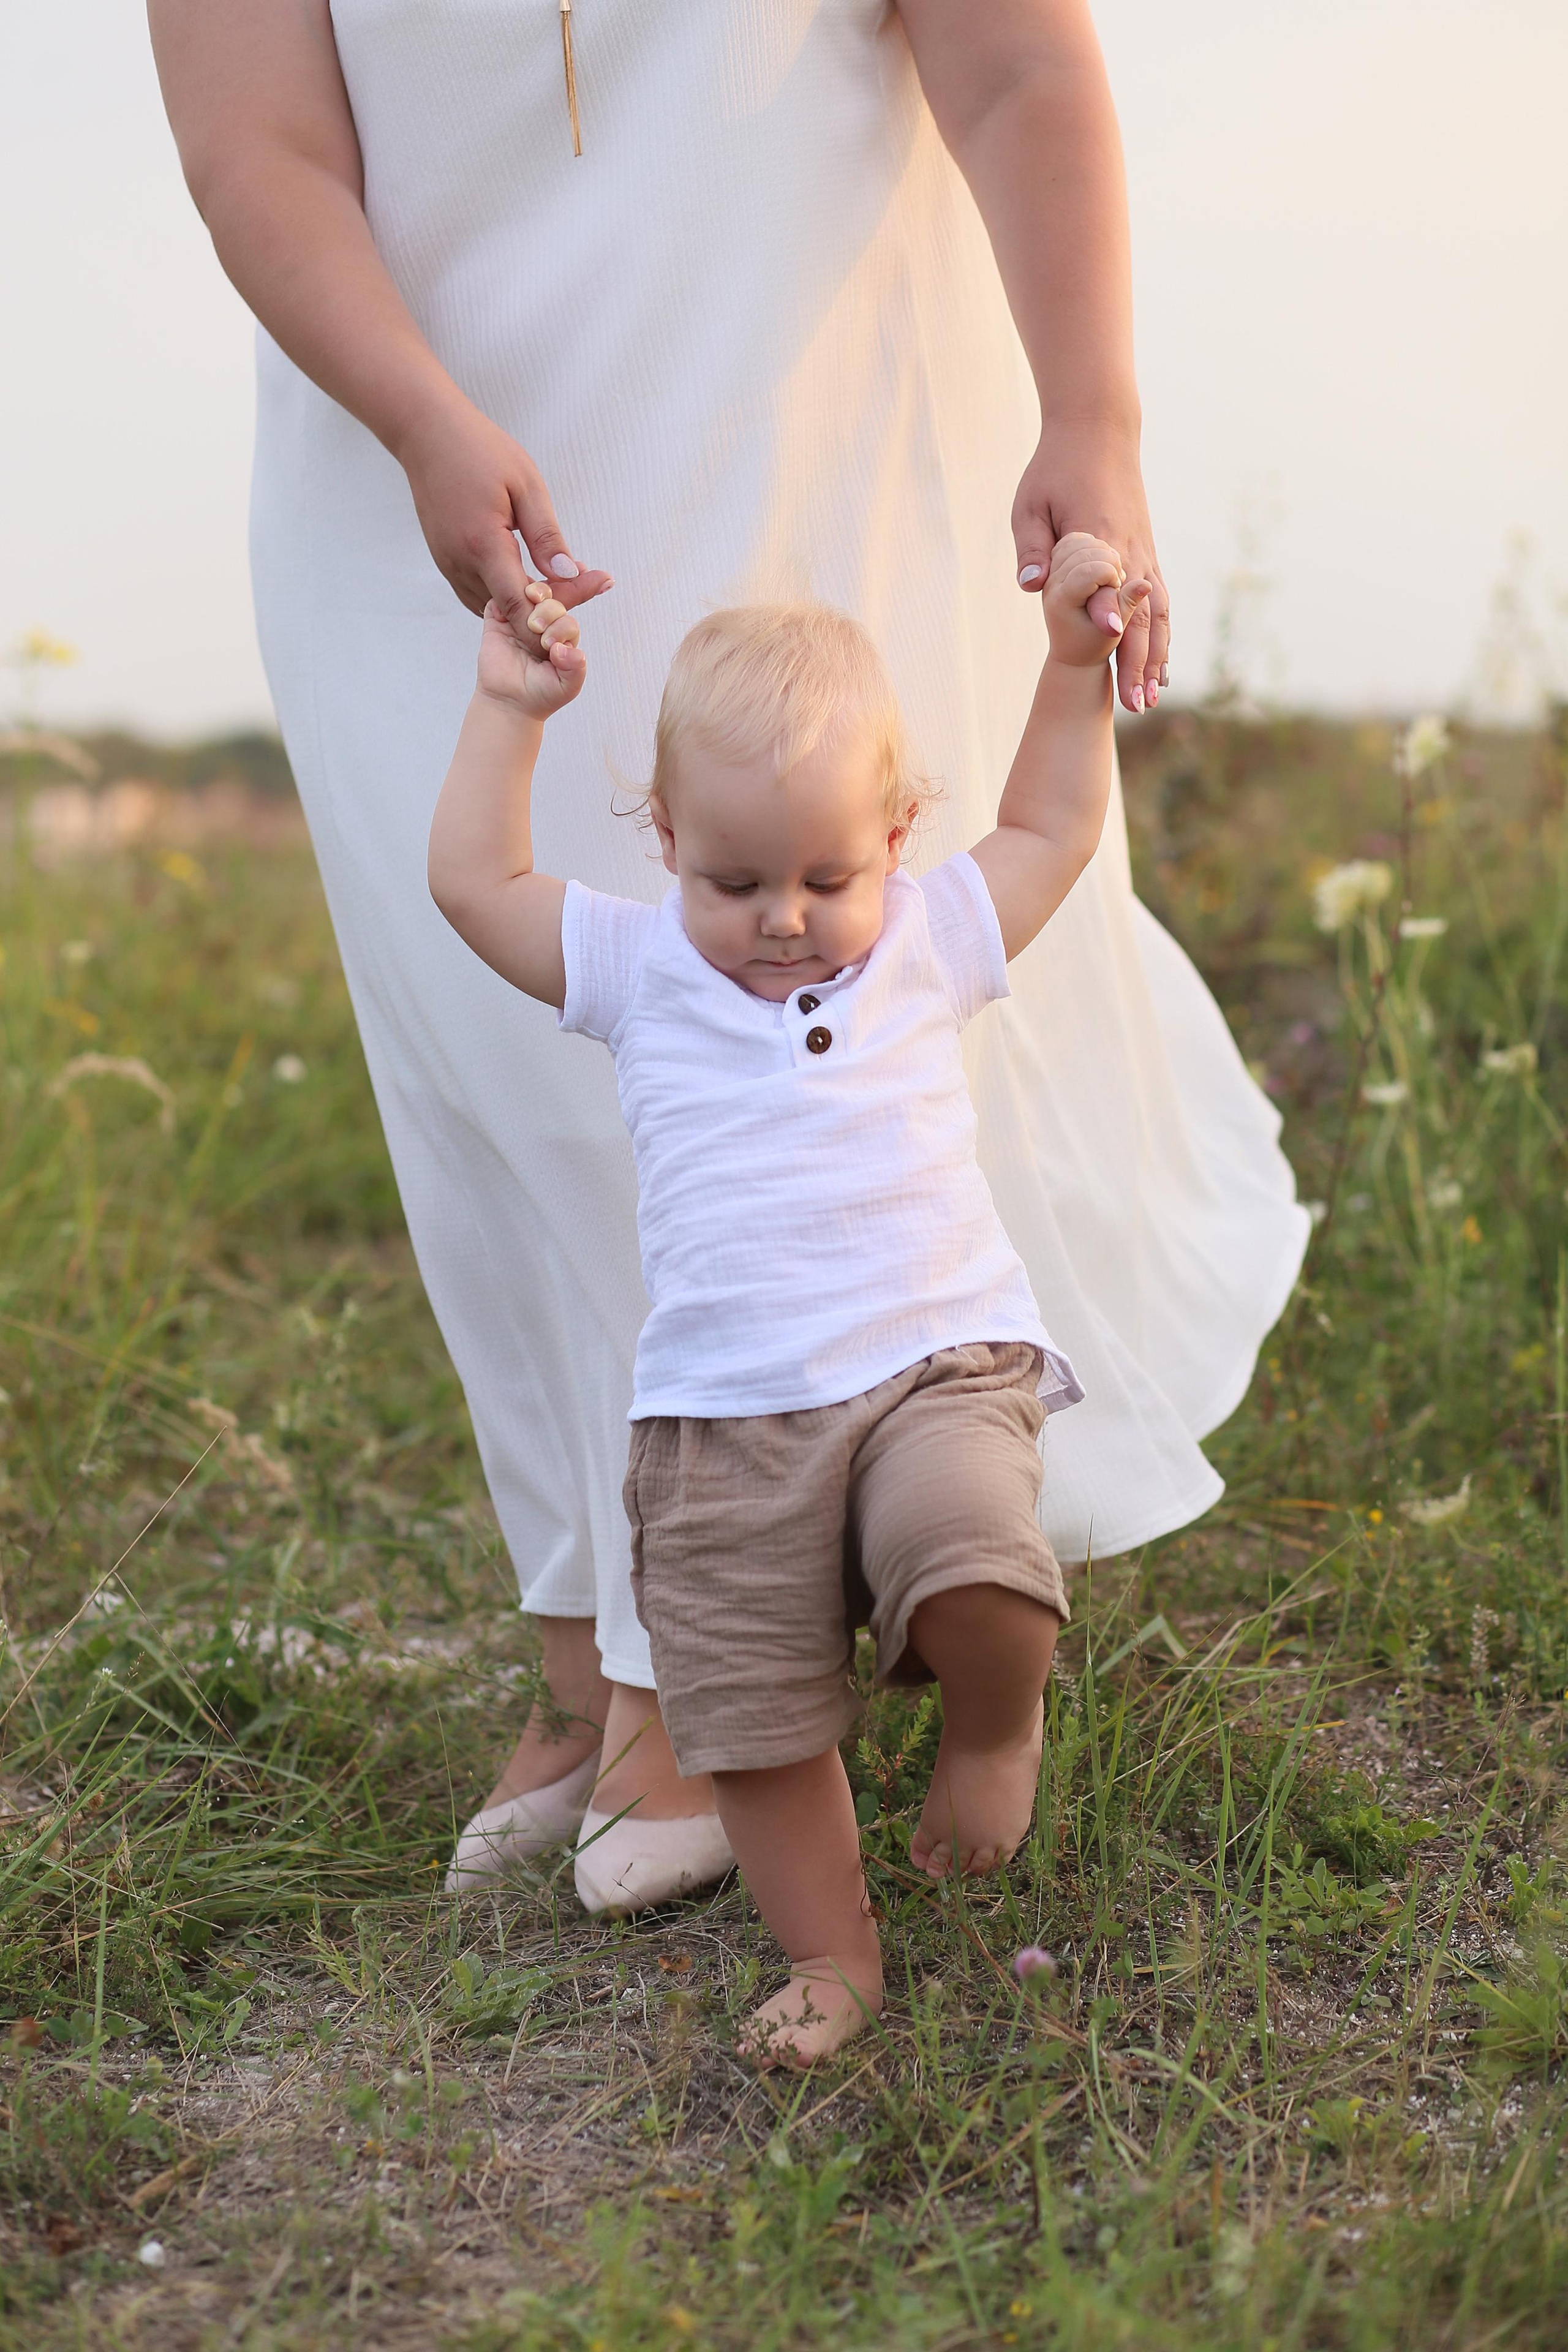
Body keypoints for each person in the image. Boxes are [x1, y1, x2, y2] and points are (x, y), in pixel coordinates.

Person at [148, 0, 1308, 1912]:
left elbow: (1015, 58)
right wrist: (425, 418)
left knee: (784, 1001)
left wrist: (1090, 415)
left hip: (786, 397)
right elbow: (257, 141)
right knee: (495, 1054)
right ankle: (593, 1638)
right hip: (415, 446)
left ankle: (715, 1645)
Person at [426, 537, 1142, 2060]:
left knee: (981, 1576)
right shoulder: (635, 970)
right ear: (666, 840)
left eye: (829, 876)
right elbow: (472, 882)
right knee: (747, 1723)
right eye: (732, 879)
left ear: (894, 837)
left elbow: (1048, 823)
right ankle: (834, 1961)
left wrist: (1072, 666)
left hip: (935, 1362)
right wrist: (511, 710)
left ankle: (991, 1722)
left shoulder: (924, 942)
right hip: (720, 1417)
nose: (783, 919)